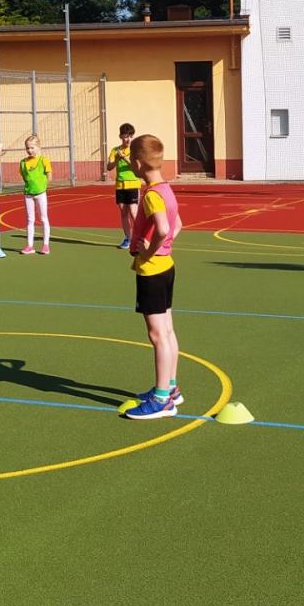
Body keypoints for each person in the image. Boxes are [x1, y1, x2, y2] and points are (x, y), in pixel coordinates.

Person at [123, 134, 183, 420]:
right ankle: (170, 387)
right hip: (167, 266)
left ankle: (162, 400)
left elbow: (163, 228)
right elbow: (178, 225)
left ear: (137, 164)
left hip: (153, 270)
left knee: (157, 335)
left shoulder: (151, 195)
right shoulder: (166, 189)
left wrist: (150, 251)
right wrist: (164, 246)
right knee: (167, 331)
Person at [107, 123, 140, 250]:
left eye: (131, 136)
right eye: (126, 136)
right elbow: (109, 167)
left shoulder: (135, 150)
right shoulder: (115, 150)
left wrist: (125, 158)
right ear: (121, 136)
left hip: (133, 183)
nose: (128, 139)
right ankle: (128, 238)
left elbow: (136, 167)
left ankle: (140, 236)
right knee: (123, 212)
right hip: (120, 185)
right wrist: (116, 159)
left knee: (133, 211)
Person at [18, 133, 53, 254]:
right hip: (28, 194)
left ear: (38, 147)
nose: (29, 150)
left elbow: (49, 176)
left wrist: (42, 186)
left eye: (32, 147)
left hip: (41, 194)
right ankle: (29, 245)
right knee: (30, 220)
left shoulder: (44, 160)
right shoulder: (23, 162)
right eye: (27, 148)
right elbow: (24, 177)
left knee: (43, 218)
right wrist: (30, 187)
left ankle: (45, 245)